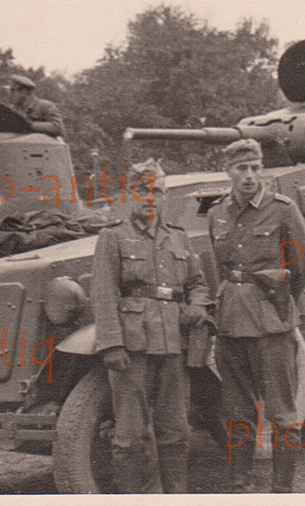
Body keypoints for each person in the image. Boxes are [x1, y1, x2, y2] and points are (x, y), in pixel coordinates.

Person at [91, 159, 212, 493]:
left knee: (176, 431)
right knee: (130, 436)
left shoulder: (179, 238)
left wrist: (197, 307)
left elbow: (198, 284)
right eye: (143, 190)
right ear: (131, 193)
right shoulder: (113, 237)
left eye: (157, 191)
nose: (151, 198)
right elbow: (103, 293)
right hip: (133, 348)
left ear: (165, 197)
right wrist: (111, 344)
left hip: (174, 345)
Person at [207, 139, 305, 493]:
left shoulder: (283, 210)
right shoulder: (217, 212)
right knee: (236, 412)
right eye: (242, 168)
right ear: (229, 172)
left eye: (255, 168)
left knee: (282, 414)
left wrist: (280, 304)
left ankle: (282, 490)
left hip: (271, 324)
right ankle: (241, 483)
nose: (250, 176)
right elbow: (219, 266)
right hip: (231, 323)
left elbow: (301, 269)